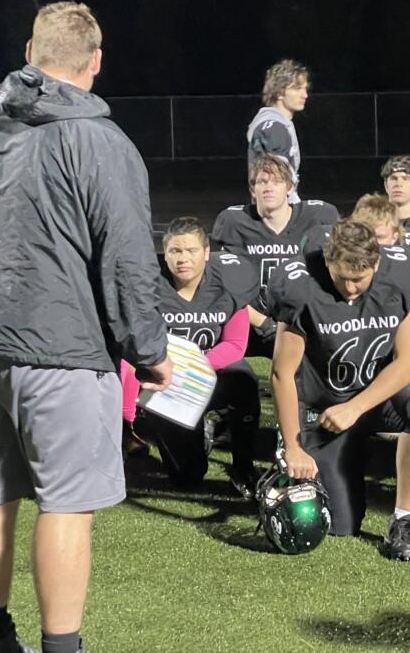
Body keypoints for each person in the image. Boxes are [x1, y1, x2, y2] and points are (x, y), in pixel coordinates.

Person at [0, 1, 171, 653]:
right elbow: (127, 257)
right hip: (62, 354)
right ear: (94, 61)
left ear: (30, 52)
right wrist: (150, 350)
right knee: (65, 504)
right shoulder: (101, 142)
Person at [267, 219, 410, 560]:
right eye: (341, 276)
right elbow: (281, 374)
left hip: (374, 395)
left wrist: (356, 408)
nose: (350, 287)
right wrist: (294, 446)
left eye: (359, 278)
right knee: (340, 525)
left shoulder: (399, 278)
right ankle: (300, 454)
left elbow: (408, 364)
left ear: (376, 263)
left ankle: (404, 519)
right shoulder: (301, 287)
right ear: (327, 262)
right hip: (323, 407)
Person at [120, 217, 260, 494]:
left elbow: (235, 344)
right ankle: (196, 437)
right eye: (175, 251)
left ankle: (244, 464)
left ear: (207, 252)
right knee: (187, 478)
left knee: (244, 380)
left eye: (191, 251)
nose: (183, 258)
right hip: (165, 383)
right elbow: (129, 352)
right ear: (165, 253)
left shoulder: (228, 283)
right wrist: (127, 414)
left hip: (210, 375)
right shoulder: (148, 289)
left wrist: (190, 366)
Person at [212, 153, 338, 357]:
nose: (269, 187)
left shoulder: (317, 216)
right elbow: (223, 286)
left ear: (290, 188)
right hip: (253, 322)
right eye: (262, 181)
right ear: (253, 189)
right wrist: (262, 322)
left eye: (277, 181)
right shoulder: (235, 221)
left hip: (302, 319)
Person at [246, 59, 309, 202]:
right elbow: (276, 179)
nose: (305, 95)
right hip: (277, 214)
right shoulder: (274, 128)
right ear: (279, 93)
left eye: (305, 88)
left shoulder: (275, 124)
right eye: (297, 88)